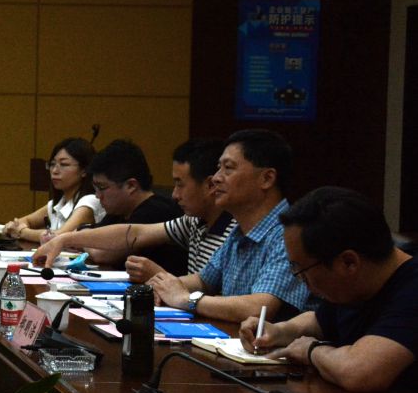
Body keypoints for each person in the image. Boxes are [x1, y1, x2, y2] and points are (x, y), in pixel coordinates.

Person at [241, 187, 416, 392]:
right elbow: (320, 321)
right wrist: (278, 331)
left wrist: (311, 351)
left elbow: (359, 372)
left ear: (348, 262)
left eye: (302, 270)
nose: (302, 281)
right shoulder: (359, 283)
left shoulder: (412, 288)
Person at [147, 129, 315, 322]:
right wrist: (162, 286)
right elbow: (204, 281)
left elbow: (259, 308)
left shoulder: (289, 234)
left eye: (228, 168)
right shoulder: (240, 230)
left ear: (267, 178)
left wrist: (187, 299)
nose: (216, 178)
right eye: (219, 168)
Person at [33, 138, 235, 280]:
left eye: (180, 184)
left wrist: (161, 277)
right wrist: (65, 239)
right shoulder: (192, 222)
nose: (175, 195)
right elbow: (132, 233)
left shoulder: (235, 231)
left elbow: (208, 292)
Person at [84, 139, 187, 275]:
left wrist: (82, 234)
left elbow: (101, 253)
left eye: (102, 187)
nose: (97, 196)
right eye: (95, 187)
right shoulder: (119, 210)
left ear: (131, 186)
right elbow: (92, 240)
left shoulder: (157, 212)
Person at [2, 138, 103, 244]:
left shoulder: (90, 201)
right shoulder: (57, 204)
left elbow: (59, 236)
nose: (54, 171)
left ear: (85, 170)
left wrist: (22, 232)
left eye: (64, 164)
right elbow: (23, 222)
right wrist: (14, 227)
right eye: (52, 164)